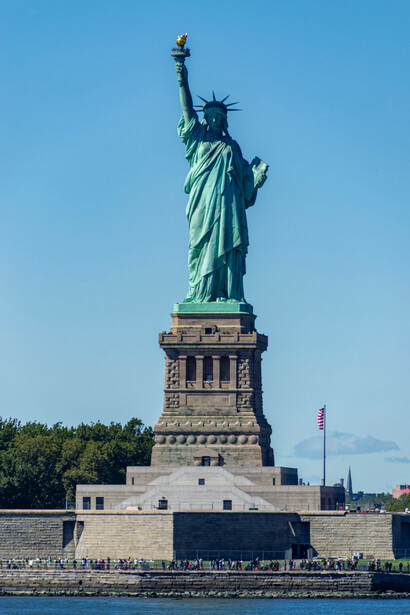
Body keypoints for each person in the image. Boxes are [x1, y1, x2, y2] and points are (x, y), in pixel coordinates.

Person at [174, 59, 268, 304]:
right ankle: (200, 294)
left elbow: (245, 181)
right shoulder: (197, 139)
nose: (216, 119)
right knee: (200, 246)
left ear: (225, 121)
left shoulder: (232, 147)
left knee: (228, 246)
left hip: (228, 206)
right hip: (203, 205)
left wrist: (255, 179)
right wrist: (181, 76)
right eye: (212, 115)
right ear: (205, 118)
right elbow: (187, 109)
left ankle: (227, 294)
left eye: (220, 116)